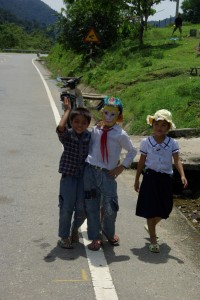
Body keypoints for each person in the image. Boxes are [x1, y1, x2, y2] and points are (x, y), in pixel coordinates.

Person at [84, 96, 137, 251]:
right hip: (91, 172)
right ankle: (95, 236)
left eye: (113, 114)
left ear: (119, 116)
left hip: (108, 175)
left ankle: (109, 231)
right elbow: (90, 148)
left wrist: (121, 168)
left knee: (110, 207)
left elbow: (132, 151)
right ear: (101, 113)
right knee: (92, 205)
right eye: (106, 113)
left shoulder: (120, 134)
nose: (108, 117)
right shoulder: (96, 130)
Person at [134, 109, 188, 253]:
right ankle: (153, 238)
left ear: (168, 128)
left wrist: (182, 175)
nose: (159, 127)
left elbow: (177, 160)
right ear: (152, 125)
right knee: (150, 209)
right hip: (150, 177)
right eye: (157, 124)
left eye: (163, 125)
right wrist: (137, 179)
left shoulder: (172, 143)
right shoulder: (146, 142)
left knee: (166, 208)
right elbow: (141, 161)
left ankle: (150, 225)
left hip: (166, 178)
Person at [56, 95, 91, 249]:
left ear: (88, 124)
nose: (79, 125)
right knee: (66, 208)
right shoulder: (68, 135)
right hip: (69, 178)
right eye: (76, 121)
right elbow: (61, 128)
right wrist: (67, 111)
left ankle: (74, 229)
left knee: (83, 209)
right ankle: (64, 237)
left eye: (84, 123)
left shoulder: (90, 136)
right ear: (71, 122)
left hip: (84, 178)